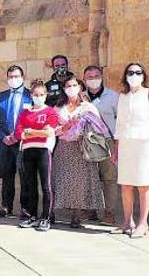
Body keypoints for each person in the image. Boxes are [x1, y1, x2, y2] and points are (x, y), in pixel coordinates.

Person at [115, 62, 149, 238]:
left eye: (138, 72)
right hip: (126, 142)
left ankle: (143, 223)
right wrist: (116, 147)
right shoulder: (123, 97)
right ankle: (127, 221)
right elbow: (119, 123)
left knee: (144, 183)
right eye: (130, 72)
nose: (134, 75)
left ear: (143, 75)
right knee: (126, 184)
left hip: (145, 142)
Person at [52, 78, 111, 229]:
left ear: (80, 87)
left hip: (82, 147)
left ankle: (77, 215)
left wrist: (83, 125)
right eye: (68, 86)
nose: (71, 88)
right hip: (64, 147)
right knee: (63, 180)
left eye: (74, 85)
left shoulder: (88, 107)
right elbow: (53, 129)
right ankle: (62, 208)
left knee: (81, 182)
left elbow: (99, 127)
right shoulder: (58, 108)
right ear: (63, 89)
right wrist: (67, 126)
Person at [14, 80, 61, 231]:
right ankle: (32, 215)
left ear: (46, 95)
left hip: (43, 150)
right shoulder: (25, 113)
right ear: (31, 95)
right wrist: (34, 132)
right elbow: (19, 133)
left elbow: (49, 132)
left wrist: (31, 132)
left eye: (41, 94)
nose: (38, 97)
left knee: (45, 185)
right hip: (28, 150)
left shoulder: (50, 112)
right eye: (36, 95)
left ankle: (46, 217)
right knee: (30, 185)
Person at [0, 65, 32, 218]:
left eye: (16, 76)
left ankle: (25, 207)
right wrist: (3, 136)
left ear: (22, 77)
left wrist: (18, 136)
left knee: (24, 176)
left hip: (22, 142)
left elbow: (32, 120)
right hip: (5, 143)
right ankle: (6, 206)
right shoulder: (0, 96)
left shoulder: (30, 96)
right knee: (7, 176)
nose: (13, 79)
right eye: (10, 77)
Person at [83, 65, 120, 225]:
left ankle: (109, 212)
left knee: (109, 178)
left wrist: (118, 144)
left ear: (102, 76)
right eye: (89, 77)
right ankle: (90, 209)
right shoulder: (80, 96)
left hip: (107, 140)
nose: (93, 79)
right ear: (84, 80)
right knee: (88, 177)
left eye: (96, 75)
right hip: (86, 141)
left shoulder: (112, 96)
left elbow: (120, 120)